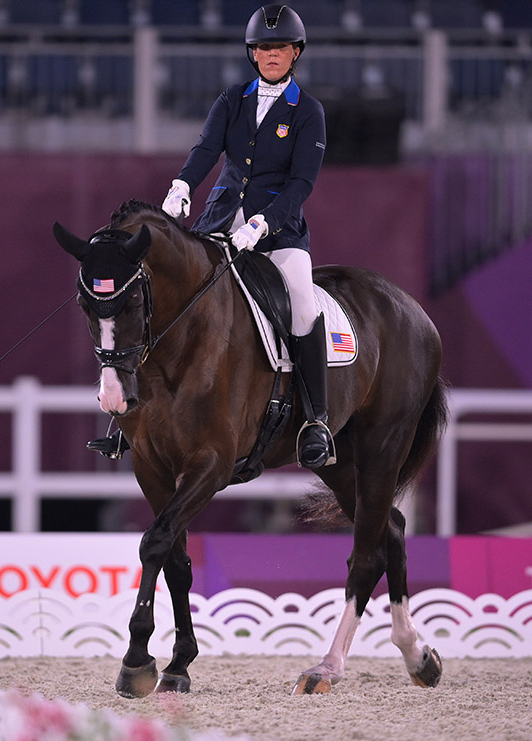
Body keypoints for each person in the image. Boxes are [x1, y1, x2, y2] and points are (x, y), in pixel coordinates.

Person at [161, 4, 333, 469]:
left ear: (295, 52)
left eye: (278, 48)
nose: (270, 55)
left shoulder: (308, 112)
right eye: (262, 48)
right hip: (219, 221)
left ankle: (316, 419)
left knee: (302, 301)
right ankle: (136, 410)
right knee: (173, 291)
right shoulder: (232, 100)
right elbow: (205, 150)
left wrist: (264, 223)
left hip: (277, 230)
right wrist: (182, 185)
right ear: (252, 54)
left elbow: (302, 184)